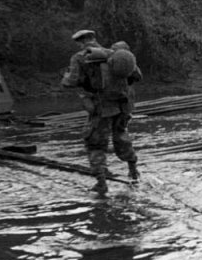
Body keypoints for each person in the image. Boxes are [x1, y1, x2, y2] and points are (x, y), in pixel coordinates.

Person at [61, 30, 143, 197]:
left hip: (101, 108)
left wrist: (64, 77)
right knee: (121, 136)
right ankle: (133, 171)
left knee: (95, 143)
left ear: (80, 42)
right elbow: (136, 76)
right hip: (122, 105)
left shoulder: (79, 57)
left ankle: (101, 184)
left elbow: (71, 82)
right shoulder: (114, 54)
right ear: (94, 39)